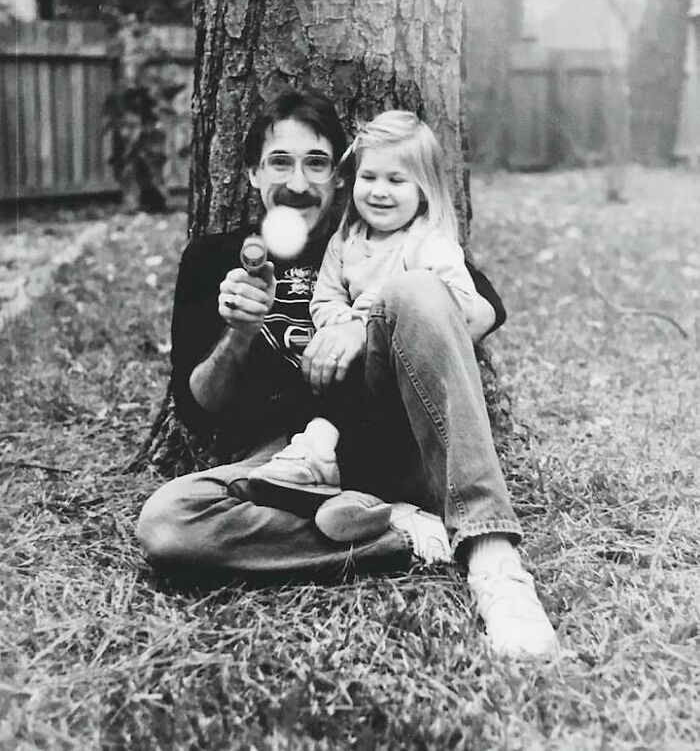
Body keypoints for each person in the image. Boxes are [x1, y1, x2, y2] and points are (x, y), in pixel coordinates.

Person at [136, 88, 558, 659]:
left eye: (316, 163)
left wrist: (367, 324)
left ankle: (493, 559)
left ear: (339, 178)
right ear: (252, 173)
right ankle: (401, 532)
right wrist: (239, 330)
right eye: (280, 162)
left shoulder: (377, 236)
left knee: (416, 289)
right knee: (168, 524)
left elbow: (477, 310)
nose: (298, 182)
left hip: (390, 435)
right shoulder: (214, 259)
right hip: (290, 470)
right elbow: (197, 408)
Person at [247, 111, 482, 499]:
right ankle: (323, 461)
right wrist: (342, 326)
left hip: (405, 376)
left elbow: (460, 304)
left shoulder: (427, 242)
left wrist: (374, 320)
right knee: (328, 366)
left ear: (425, 190)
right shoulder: (346, 241)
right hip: (358, 375)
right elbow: (325, 297)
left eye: (396, 180)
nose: (379, 191)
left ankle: (322, 450)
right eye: (369, 177)